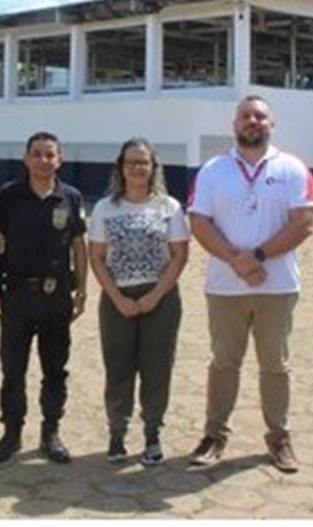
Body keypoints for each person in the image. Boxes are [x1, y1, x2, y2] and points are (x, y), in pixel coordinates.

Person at [187, 94, 313, 473]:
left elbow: (304, 223)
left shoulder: (293, 168)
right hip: (225, 287)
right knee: (224, 363)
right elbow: (199, 224)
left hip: (277, 287)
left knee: (275, 364)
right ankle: (214, 435)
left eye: (260, 116)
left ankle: (279, 438)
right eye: (246, 116)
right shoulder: (213, 170)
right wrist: (235, 260)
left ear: (271, 125)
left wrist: (256, 257)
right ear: (234, 124)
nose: (252, 121)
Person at [0, 131, 88, 464]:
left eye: (50, 154)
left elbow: (78, 247)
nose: (44, 160)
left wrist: (82, 288)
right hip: (16, 296)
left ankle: (51, 433)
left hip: (56, 298)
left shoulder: (70, 197)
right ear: (27, 159)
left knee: (55, 369)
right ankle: (11, 433)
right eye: (37, 154)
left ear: (60, 160)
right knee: (12, 369)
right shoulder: (10, 195)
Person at [87, 138, 189, 467]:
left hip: (160, 299)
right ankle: (117, 434)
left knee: (157, 370)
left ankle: (152, 435)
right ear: (120, 167)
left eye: (143, 162)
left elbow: (179, 256)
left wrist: (154, 295)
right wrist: (118, 298)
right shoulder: (105, 208)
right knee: (118, 369)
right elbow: (97, 258)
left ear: (153, 167)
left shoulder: (169, 207)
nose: (137, 168)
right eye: (131, 162)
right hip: (117, 300)